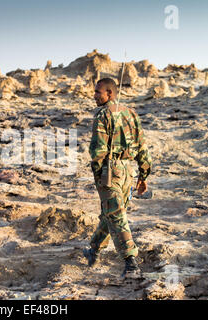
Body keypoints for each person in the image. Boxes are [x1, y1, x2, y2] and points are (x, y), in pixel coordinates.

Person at [83, 78, 152, 278]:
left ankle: (131, 263)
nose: (95, 95)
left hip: (110, 171)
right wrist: (143, 174)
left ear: (110, 94)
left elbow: (97, 151)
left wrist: (99, 175)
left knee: (116, 215)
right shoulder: (132, 114)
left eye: (98, 92)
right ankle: (93, 250)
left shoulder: (103, 115)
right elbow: (142, 147)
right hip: (127, 171)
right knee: (111, 212)